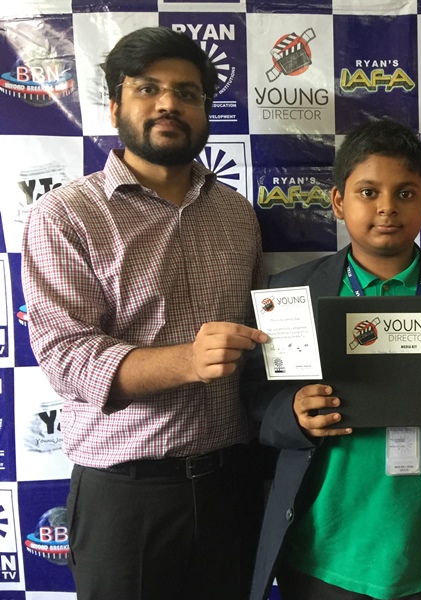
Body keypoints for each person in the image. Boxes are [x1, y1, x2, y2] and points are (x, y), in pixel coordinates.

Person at [21, 27, 268, 600]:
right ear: (115, 106)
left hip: (232, 487)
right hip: (126, 497)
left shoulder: (237, 214)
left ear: (205, 111)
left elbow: (264, 336)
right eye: (147, 89)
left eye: (187, 93)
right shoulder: (66, 214)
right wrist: (187, 361)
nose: (168, 104)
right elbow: (66, 358)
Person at [243, 118, 421, 600]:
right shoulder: (290, 293)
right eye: (368, 192)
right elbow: (257, 400)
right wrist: (294, 413)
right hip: (322, 548)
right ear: (338, 202)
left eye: (406, 193)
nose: (387, 207)